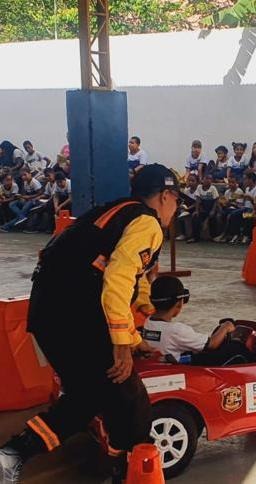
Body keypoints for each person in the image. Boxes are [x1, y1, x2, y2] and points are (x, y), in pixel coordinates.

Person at [0, 164, 179, 483]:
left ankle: (13, 455)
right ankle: (130, 471)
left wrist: (140, 326)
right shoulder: (146, 224)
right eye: (177, 201)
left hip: (46, 314)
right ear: (165, 196)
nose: (176, 210)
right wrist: (123, 344)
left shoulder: (114, 213)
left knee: (87, 397)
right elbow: (118, 278)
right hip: (76, 314)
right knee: (130, 398)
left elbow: (130, 280)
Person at [142, 276, 256, 366]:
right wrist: (225, 326)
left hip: (168, 360)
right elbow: (212, 344)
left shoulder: (149, 322)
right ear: (179, 304)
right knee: (235, 349)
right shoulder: (176, 330)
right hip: (180, 369)